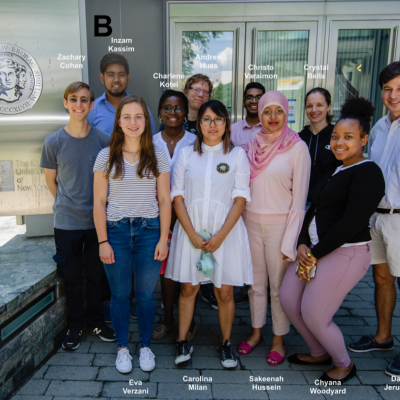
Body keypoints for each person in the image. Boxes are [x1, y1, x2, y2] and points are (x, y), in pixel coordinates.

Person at [280, 97, 385, 384]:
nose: (339, 142)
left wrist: (313, 252)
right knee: (289, 299)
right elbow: (313, 209)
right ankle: (318, 352)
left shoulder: (369, 172)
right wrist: (302, 243)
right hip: (314, 250)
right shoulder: (337, 170)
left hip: (345, 253)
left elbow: (351, 223)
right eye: (336, 137)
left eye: (348, 137)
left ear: (364, 138)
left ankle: (344, 364)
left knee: (314, 313)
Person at [165, 100, 253, 368]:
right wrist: (191, 234)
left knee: (224, 291)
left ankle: (226, 343)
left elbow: (240, 199)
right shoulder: (186, 154)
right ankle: (182, 341)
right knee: (189, 288)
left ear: (226, 123)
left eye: (218, 119)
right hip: (191, 231)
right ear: (198, 124)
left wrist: (220, 236)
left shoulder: (237, 155)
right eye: (206, 119)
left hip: (224, 233)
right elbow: (176, 196)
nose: (212, 125)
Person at [93, 95, 171, 374]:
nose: (133, 122)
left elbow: (164, 200)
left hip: (150, 231)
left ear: (146, 121)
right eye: (127, 117)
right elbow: (99, 203)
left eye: (138, 116)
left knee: (147, 296)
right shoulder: (106, 156)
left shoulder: (158, 155)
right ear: (118, 123)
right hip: (116, 232)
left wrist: (164, 238)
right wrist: (103, 241)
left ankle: (146, 347)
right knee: (120, 295)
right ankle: (123, 349)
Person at [40, 82, 115, 351]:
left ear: (92, 105)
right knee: (72, 277)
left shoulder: (103, 140)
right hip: (67, 222)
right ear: (65, 103)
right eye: (73, 99)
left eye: (84, 100)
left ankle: (95, 322)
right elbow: (52, 183)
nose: (79, 105)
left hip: (97, 222)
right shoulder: (53, 142)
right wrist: (68, 205)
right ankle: (74, 325)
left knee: (96, 276)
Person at [238, 91, 310, 366]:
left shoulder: (297, 147)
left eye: (278, 111)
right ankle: (256, 332)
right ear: (260, 114)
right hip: (250, 223)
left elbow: (300, 199)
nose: (272, 117)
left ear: (286, 113)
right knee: (255, 285)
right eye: (267, 111)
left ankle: (279, 338)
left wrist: (291, 240)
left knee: (279, 287)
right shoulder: (251, 145)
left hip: (281, 226)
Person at [348, 62, 400, 378]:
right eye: (388, 89)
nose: (393, 96)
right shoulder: (380, 126)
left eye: (399, 89)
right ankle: (382, 337)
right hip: (377, 218)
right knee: (382, 279)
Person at [159, 74, 218, 309]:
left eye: (205, 91)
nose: (200, 94)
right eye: (195, 90)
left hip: (191, 210)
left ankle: (196, 294)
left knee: (193, 255)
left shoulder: (199, 139)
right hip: (162, 210)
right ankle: (171, 305)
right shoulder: (155, 138)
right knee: (167, 259)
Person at [151, 90, 197, 341]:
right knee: (166, 271)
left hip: (189, 215)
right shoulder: (150, 142)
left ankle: (188, 320)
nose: (173, 113)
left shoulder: (194, 141)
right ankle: (168, 318)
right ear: (159, 112)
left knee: (189, 270)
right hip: (159, 216)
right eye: (167, 108)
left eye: (178, 108)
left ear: (185, 112)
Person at [88, 53, 156, 135]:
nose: (116, 80)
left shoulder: (142, 109)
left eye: (121, 75)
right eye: (111, 75)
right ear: (102, 78)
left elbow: (151, 142)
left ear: (128, 78)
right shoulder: (92, 110)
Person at [299, 88, 342, 203]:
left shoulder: (338, 137)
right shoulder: (297, 139)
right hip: (300, 203)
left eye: (319, 105)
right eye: (309, 106)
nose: (314, 110)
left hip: (328, 204)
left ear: (328, 106)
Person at [230, 82, 265, 149]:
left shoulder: (270, 130)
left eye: (258, 97)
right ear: (243, 102)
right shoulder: (232, 131)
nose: (254, 101)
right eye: (249, 97)